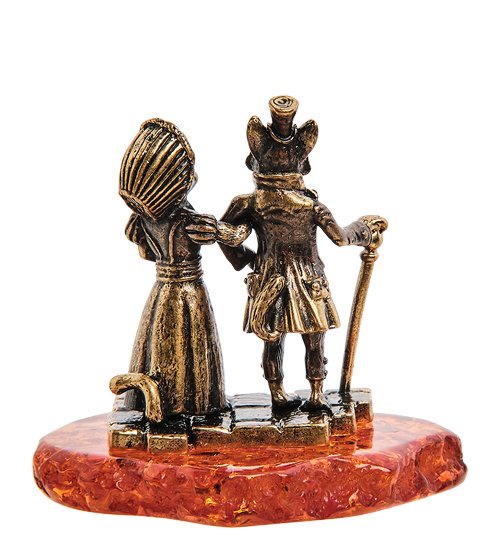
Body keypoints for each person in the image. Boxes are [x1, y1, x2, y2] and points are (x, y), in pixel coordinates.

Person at [190, 97, 373, 410]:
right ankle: (316, 393)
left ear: (255, 164)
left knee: (272, 339)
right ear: (302, 166)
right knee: (313, 339)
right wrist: (364, 229)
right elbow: (341, 238)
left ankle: (278, 394)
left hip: (269, 278)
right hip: (309, 280)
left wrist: (245, 259)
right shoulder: (311, 206)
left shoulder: (250, 203)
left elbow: (227, 235)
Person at [116, 118, 230, 417]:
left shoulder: (143, 219)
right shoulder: (188, 222)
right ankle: (191, 406)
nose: (194, 178)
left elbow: (146, 253)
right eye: (187, 174)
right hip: (188, 292)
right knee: (190, 349)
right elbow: (230, 236)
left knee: (157, 344)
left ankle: (158, 402)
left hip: (161, 290)